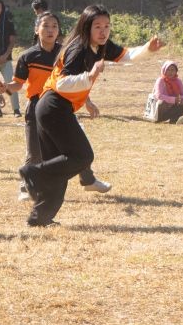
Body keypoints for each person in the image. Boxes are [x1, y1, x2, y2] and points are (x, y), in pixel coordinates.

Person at [19, 4, 163, 227]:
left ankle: (40, 219)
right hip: (53, 106)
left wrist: (148, 48)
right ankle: (32, 172)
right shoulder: (78, 49)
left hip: (55, 109)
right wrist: (90, 75)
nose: (103, 31)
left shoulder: (101, 46)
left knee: (59, 170)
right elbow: (62, 83)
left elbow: (126, 55)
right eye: (97, 26)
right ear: (87, 27)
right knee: (82, 157)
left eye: (106, 26)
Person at [6, 11, 109, 201]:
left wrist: (88, 102)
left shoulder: (67, 51)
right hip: (36, 107)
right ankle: (25, 188)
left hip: (61, 105)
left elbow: (74, 81)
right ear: (36, 30)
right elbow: (18, 84)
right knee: (34, 150)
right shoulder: (27, 56)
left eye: (54, 26)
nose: (50, 30)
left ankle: (88, 180)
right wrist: (6, 87)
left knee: (74, 147)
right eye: (45, 26)